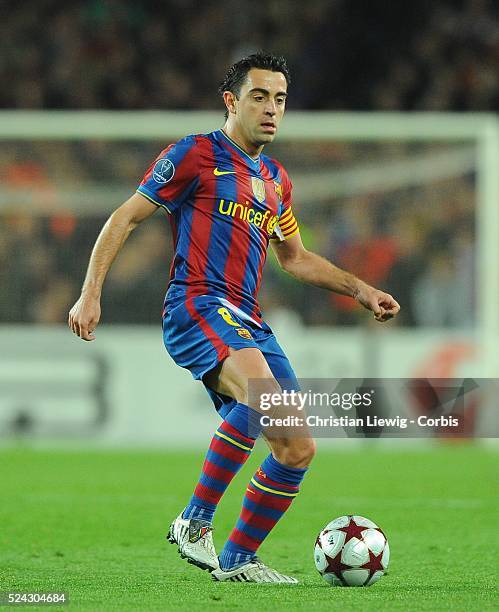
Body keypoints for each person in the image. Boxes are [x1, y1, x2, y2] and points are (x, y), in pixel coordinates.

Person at [68, 52, 400, 584]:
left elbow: (293, 257)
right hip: (197, 304)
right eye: (259, 97)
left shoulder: (274, 179)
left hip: (248, 319)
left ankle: (241, 558)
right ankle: (194, 521)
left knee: (296, 447)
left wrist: (360, 288)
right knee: (260, 394)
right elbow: (123, 217)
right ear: (231, 101)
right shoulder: (195, 154)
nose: (272, 109)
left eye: (281, 99)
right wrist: (90, 295)